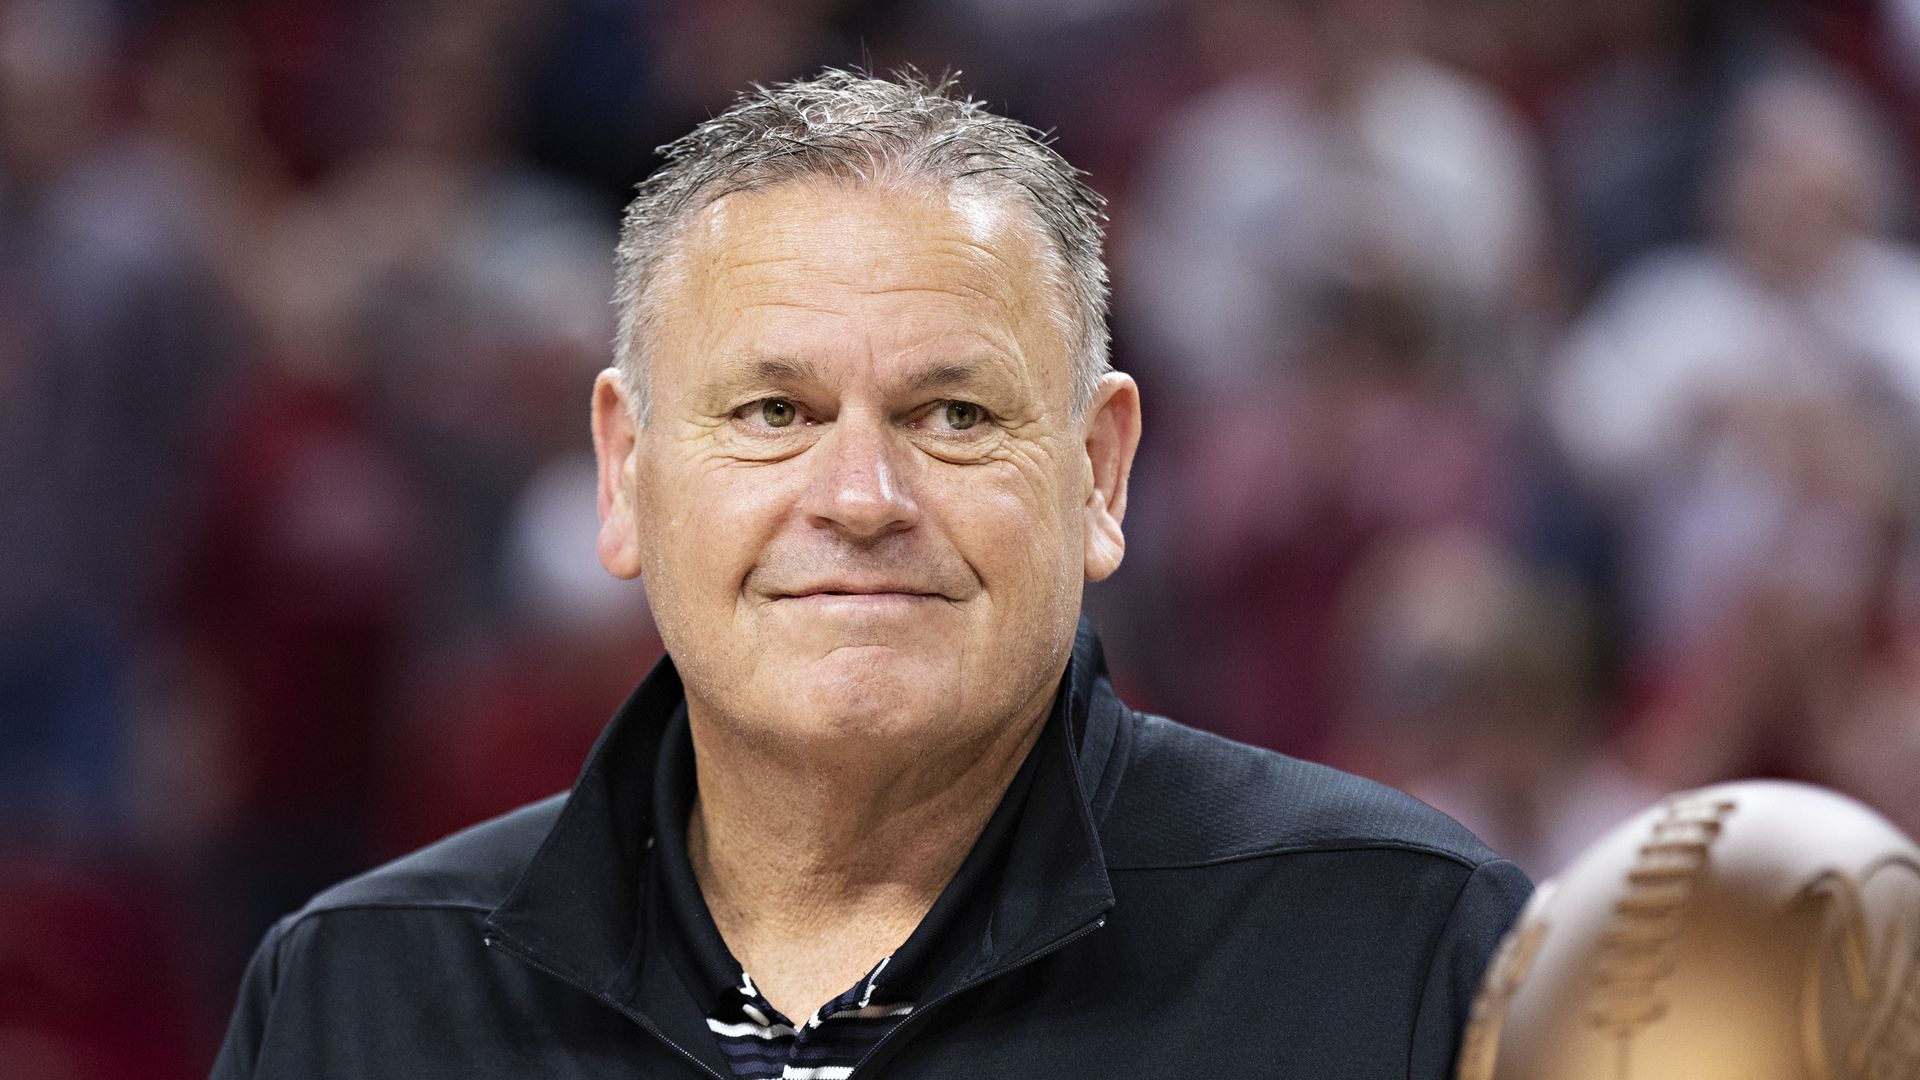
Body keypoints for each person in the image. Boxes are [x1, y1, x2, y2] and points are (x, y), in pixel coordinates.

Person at [211, 69, 1530, 1079]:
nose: (860, 499)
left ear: (1101, 475)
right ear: (624, 473)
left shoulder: (1410, 957)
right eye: (773, 412)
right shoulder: (357, 998)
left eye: (954, 416)